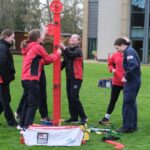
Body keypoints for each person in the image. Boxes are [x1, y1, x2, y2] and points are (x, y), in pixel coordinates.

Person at [17, 29, 61, 129]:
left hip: (24, 78)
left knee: (27, 102)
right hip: (32, 78)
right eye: (42, 36)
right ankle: (27, 127)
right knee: (33, 104)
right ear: (38, 39)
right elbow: (48, 59)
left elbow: (41, 61)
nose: (43, 37)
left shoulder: (29, 47)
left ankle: (21, 124)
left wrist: (49, 56)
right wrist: (57, 54)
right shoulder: (37, 47)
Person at [114, 38, 141, 133]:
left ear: (122, 45)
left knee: (127, 104)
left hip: (132, 80)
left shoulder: (129, 51)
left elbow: (133, 66)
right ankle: (133, 126)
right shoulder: (130, 50)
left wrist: (126, 76)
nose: (117, 50)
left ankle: (127, 127)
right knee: (132, 103)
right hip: (135, 80)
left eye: (118, 48)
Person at [60, 34, 88, 125]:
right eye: (71, 37)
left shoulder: (78, 50)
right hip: (69, 77)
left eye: (74, 38)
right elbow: (65, 62)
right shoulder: (68, 50)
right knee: (70, 97)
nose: (72, 39)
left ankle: (83, 117)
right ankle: (74, 117)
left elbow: (71, 56)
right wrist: (57, 68)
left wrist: (64, 48)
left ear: (78, 41)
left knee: (74, 97)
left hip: (76, 77)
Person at [0, 29, 18, 127]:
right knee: (5, 100)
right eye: (12, 37)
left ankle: (11, 121)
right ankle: (11, 121)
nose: (13, 39)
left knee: (3, 100)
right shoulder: (2, 47)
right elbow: (2, 63)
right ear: (6, 37)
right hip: (2, 79)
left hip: (3, 78)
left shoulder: (3, 46)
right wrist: (5, 77)